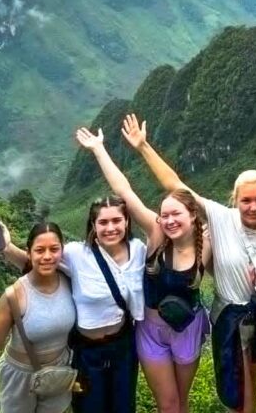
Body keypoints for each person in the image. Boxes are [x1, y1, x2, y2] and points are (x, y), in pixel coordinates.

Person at [120, 113, 256, 413]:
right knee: (234, 388)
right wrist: (143, 146)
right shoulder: (220, 218)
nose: (253, 206)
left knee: (251, 386)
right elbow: (174, 184)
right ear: (235, 199)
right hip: (229, 315)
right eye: (246, 200)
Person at [75, 127, 211, 413]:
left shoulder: (208, 242)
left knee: (181, 402)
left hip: (188, 328)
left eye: (177, 214)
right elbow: (124, 191)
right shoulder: (157, 233)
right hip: (150, 330)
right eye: (165, 215)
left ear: (193, 215)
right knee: (168, 404)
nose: (170, 221)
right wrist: (100, 149)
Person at [0, 196, 145, 412]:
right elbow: (41, 262)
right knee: (87, 405)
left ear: (127, 222)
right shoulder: (77, 253)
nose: (110, 228)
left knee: (123, 406)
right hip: (84, 355)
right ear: (93, 226)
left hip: (123, 348)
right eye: (103, 222)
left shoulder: (138, 250)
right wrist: (7, 247)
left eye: (116, 220)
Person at [0, 222, 76, 413]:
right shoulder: (14, 295)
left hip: (58, 373)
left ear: (62, 251)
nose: (47, 256)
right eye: (39, 250)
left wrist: (7, 247)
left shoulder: (70, 281)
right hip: (19, 377)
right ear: (29, 253)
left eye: (54, 249)